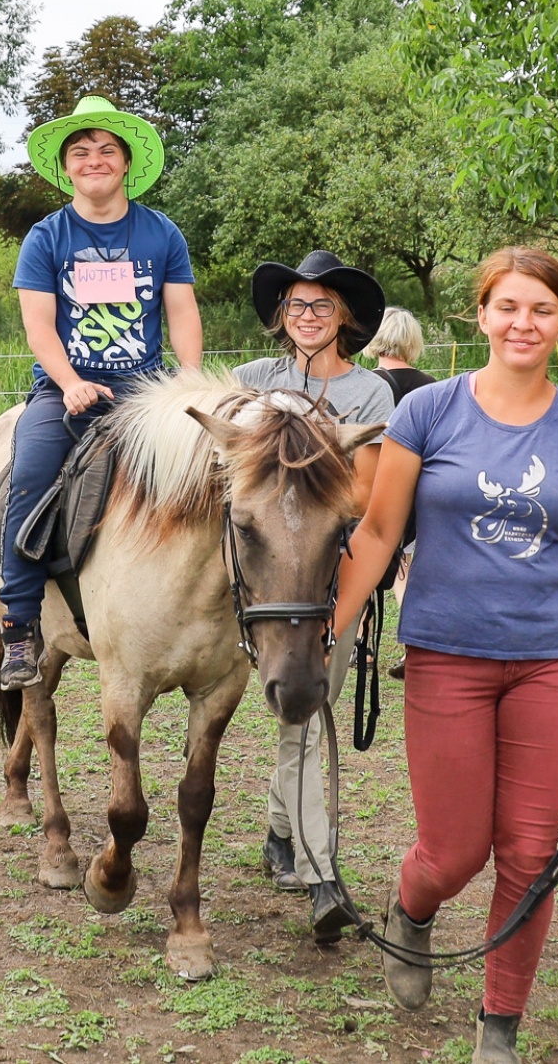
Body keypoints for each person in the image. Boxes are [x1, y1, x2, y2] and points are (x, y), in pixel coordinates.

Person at [330, 248, 558, 1063]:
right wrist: (329, 631)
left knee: (531, 854)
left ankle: (499, 1021)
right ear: (481, 314)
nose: (523, 322)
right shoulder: (427, 412)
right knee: (455, 849)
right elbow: (379, 532)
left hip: (553, 660)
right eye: (507, 306)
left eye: (541, 309)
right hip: (447, 653)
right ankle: (412, 905)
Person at [0, 97, 203, 689]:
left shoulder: (161, 232)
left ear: (126, 163)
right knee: (30, 475)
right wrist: (69, 383)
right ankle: (19, 625)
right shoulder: (46, 237)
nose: (95, 160)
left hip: (145, 390)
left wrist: (188, 376)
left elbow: (181, 310)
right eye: (81, 152)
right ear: (66, 169)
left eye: (107, 150)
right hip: (65, 391)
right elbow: (38, 325)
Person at [233, 250, 394, 942]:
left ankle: (296, 847)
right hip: (268, 577)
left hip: (332, 571)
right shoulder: (249, 382)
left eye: (321, 306)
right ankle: (308, 860)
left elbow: (362, 493)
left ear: (345, 318)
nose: (305, 317)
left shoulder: (371, 397)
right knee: (298, 716)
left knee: (306, 713)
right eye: (295, 306)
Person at [362, 307, 438, 679]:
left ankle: (363, 646)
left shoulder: (364, 383)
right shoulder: (432, 387)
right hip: (417, 493)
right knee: (406, 573)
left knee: (360, 563)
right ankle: (414, 648)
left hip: (372, 490)